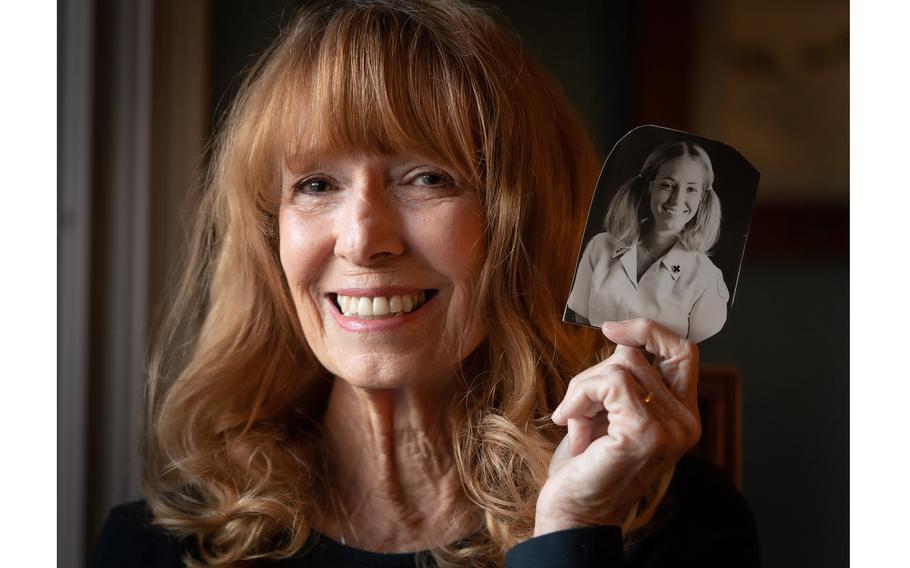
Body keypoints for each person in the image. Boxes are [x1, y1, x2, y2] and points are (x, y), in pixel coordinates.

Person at [90, 1, 757, 566]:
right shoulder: (156, 547)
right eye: (316, 185)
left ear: (522, 225)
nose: (361, 240)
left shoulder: (676, 527)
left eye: (428, 177)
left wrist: (573, 530)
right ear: (272, 236)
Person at [567, 141, 730, 343]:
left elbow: (689, 354)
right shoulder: (601, 247)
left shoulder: (706, 277)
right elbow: (580, 324)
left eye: (691, 189)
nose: (677, 199)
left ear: (703, 199)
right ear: (649, 187)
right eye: (667, 185)